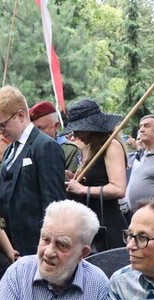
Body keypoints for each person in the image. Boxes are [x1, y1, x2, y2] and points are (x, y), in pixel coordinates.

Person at [0, 85, 66, 256]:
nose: (0, 133)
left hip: (35, 247)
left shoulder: (45, 146)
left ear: (21, 115)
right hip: (11, 247)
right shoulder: (9, 150)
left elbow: (54, 204)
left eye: (2, 125)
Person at [63, 98, 128, 252]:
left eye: (79, 128)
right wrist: (74, 179)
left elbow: (118, 189)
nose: (75, 133)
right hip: (90, 223)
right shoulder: (90, 147)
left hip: (108, 226)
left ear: (91, 126)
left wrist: (81, 189)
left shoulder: (111, 146)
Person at [125, 115, 154, 213]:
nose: (141, 130)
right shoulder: (142, 154)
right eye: (140, 126)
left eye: (146, 126)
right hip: (134, 214)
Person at [29, 100, 82, 173]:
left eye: (41, 128)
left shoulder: (69, 150)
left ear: (56, 126)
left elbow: (72, 181)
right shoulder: (28, 149)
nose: (37, 134)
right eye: (33, 130)